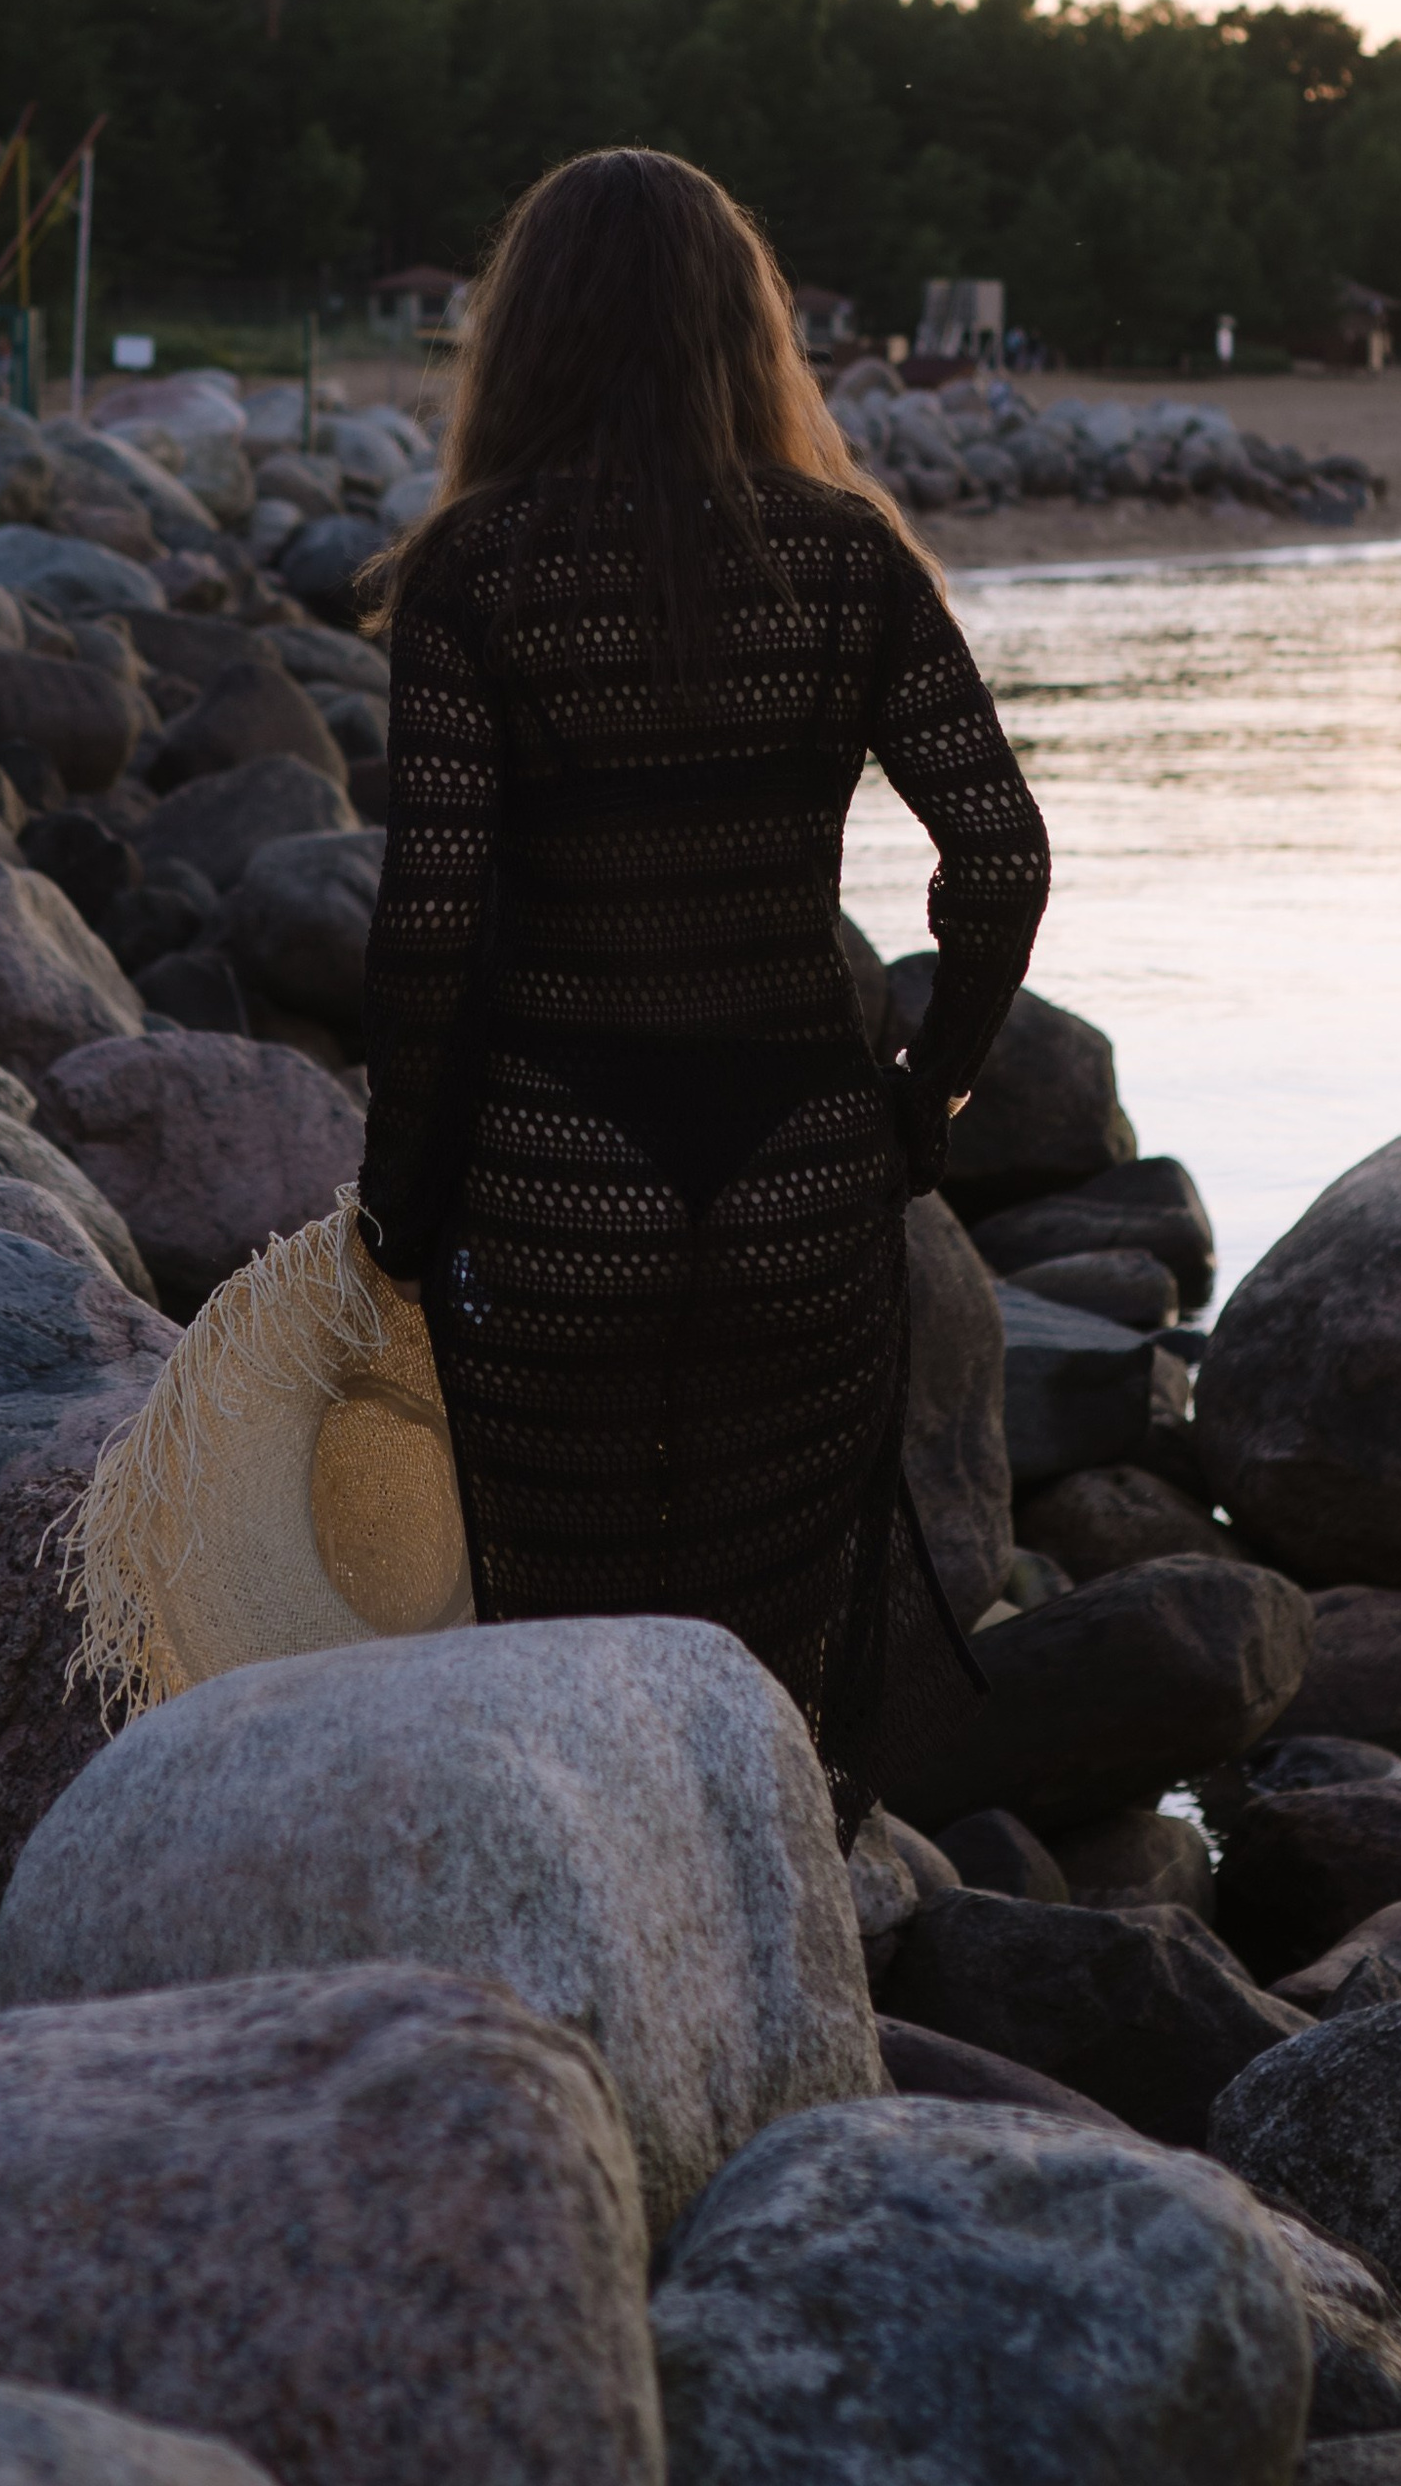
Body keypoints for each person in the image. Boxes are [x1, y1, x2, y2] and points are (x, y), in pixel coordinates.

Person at [355, 148, 1051, 1841]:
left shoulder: (473, 573)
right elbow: (1002, 861)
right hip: (801, 1176)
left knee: (561, 1649)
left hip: (554, 1177)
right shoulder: (850, 564)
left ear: (525, 338)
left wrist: (398, 1205)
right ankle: (767, 1982)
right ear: (749, 332)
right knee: (764, 1673)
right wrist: (920, 1103)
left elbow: (432, 933)